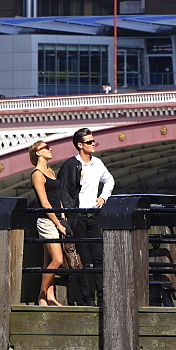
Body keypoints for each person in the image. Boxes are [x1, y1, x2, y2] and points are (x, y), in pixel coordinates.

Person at [58, 127, 114, 306]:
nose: (93, 144)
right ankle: (87, 298)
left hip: (94, 216)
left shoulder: (97, 163)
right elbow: (64, 191)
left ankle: (102, 297)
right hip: (78, 217)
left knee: (98, 257)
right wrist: (65, 215)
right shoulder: (71, 165)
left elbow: (109, 180)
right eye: (89, 142)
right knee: (81, 258)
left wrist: (103, 197)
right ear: (80, 145)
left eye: (93, 140)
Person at [29, 139, 68, 306]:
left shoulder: (50, 171)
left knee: (48, 262)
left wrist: (63, 217)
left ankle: (50, 297)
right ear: (38, 152)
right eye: (45, 147)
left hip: (57, 219)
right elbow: (45, 203)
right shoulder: (37, 173)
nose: (50, 149)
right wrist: (57, 223)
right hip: (47, 221)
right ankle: (42, 295)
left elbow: (56, 198)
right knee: (58, 260)